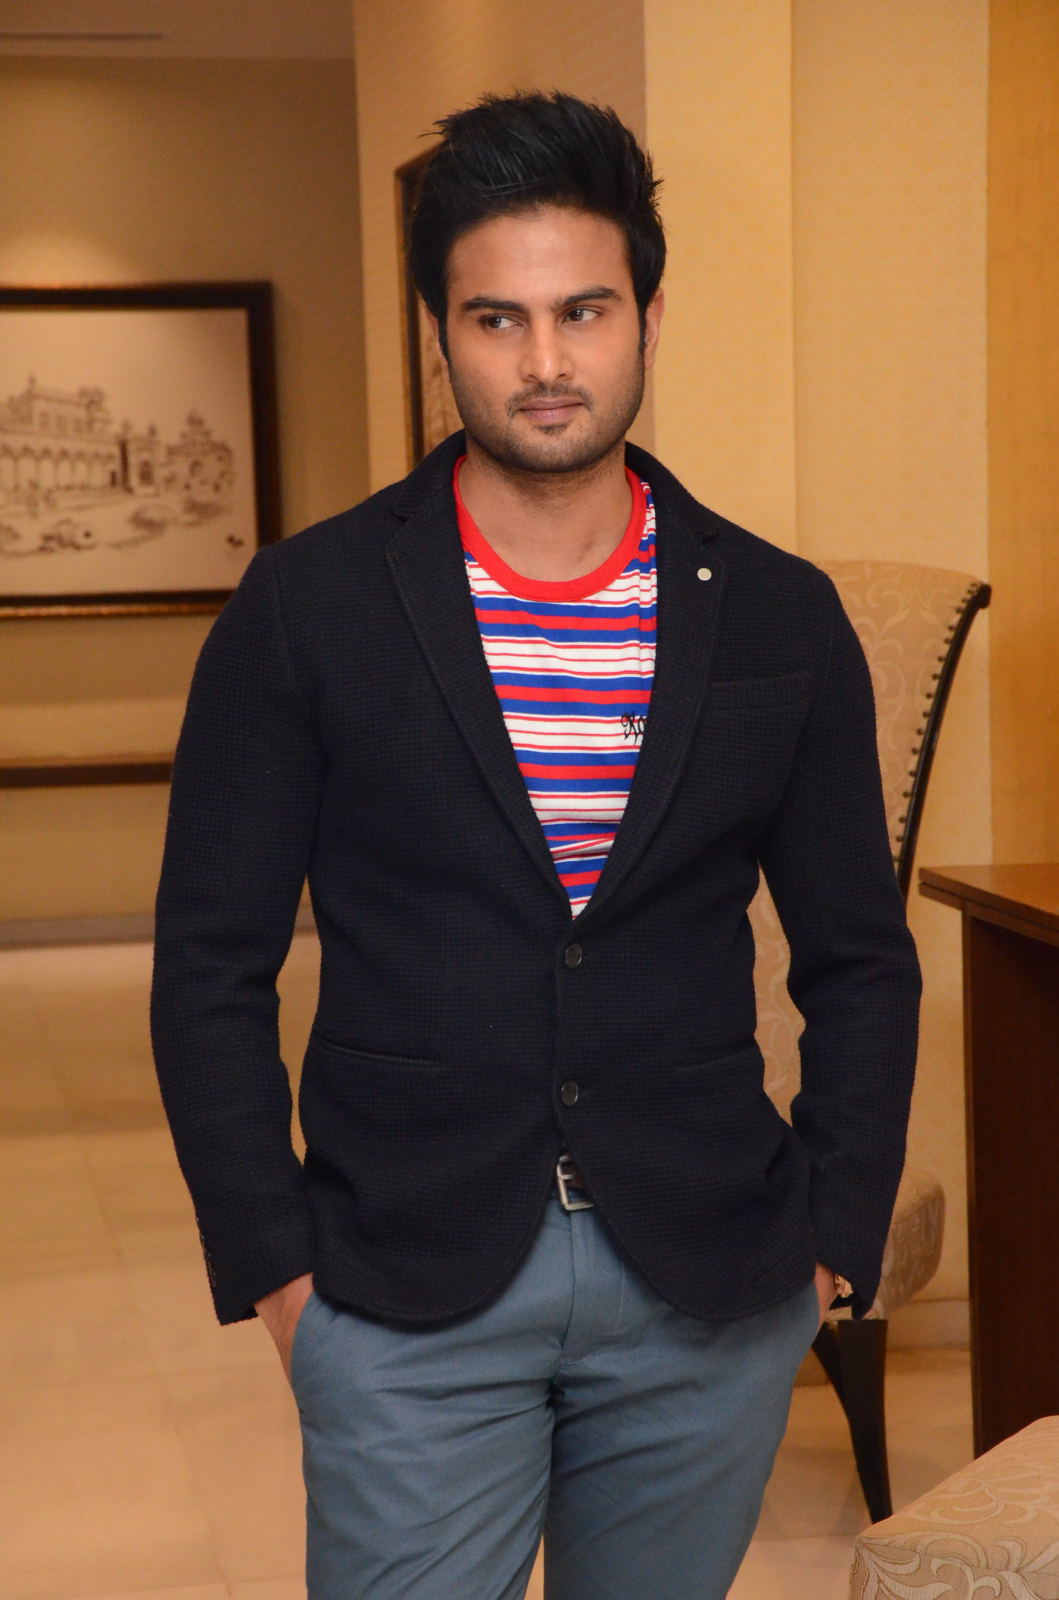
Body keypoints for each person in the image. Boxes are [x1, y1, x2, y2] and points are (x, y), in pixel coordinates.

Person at [151, 90, 921, 1600]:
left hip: (708, 1278)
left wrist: (833, 1233)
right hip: (403, 1280)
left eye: (585, 311)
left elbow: (860, 959)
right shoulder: (306, 610)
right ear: (441, 335)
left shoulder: (779, 616)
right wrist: (279, 1272)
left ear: (647, 316)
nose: (546, 361)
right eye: (497, 319)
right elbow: (208, 970)